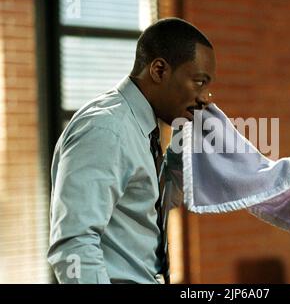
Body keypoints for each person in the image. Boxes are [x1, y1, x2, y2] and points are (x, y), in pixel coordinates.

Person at [48, 18, 216, 283]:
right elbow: (73, 245)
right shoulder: (107, 129)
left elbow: (147, 203)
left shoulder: (145, 127)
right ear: (159, 70)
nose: (206, 97)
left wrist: (184, 153)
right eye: (199, 82)